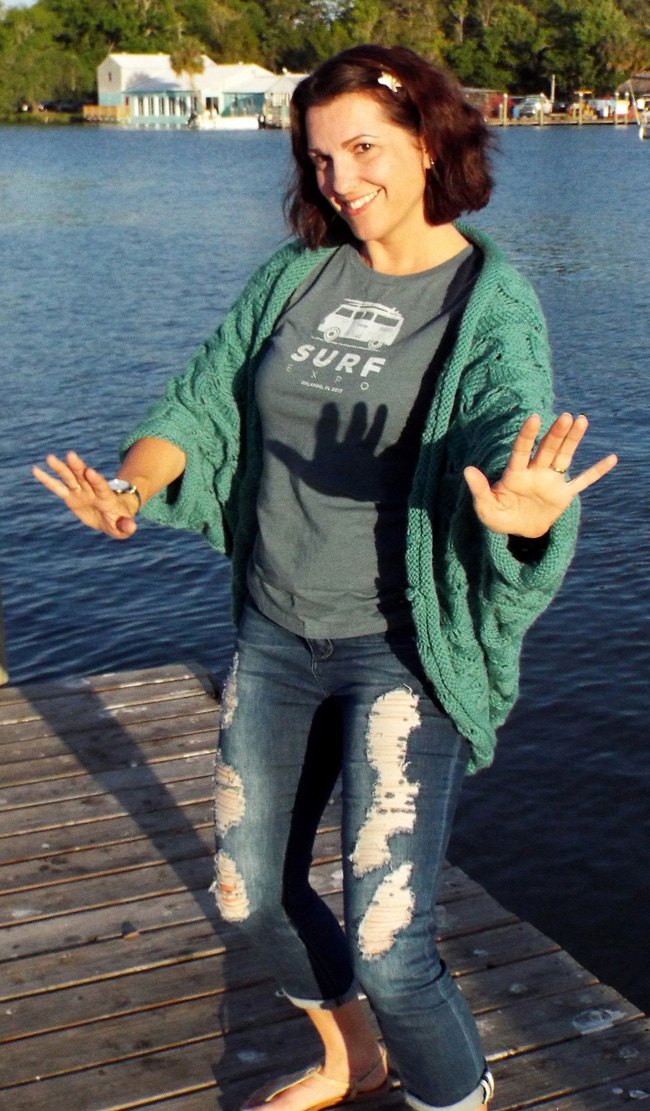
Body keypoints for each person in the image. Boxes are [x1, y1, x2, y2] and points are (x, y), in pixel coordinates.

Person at [33, 44, 617, 1111]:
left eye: (362, 150)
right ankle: (354, 1055)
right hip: (274, 634)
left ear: (429, 142)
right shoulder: (295, 275)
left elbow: (504, 417)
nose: (339, 180)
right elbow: (202, 400)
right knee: (249, 895)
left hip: (400, 652)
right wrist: (131, 485)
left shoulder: (489, 303)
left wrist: (523, 511)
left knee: (391, 945)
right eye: (319, 158)